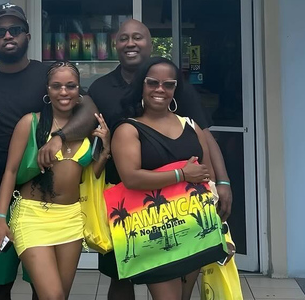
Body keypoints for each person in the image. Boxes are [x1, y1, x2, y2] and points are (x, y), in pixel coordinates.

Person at [0, 3, 100, 300]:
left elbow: (88, 109)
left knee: (45, 289)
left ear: (27, 35)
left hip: (45, 200)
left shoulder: (48, 75)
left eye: (15, 29)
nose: (8, 35)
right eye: (0, 31)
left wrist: (60, 138)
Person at [88, 18, 232, 300]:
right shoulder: (100, 89)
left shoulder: (176, 87)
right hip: (124, 200)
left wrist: (221, 181)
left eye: (138, 37)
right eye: (124, 38)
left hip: (182, 205)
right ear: (115, 45)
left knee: (180, 280)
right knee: (121, 278)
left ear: (150, 44)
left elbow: (202, 136)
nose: (131, 43)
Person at [0, 62, 111, 300]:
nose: (63, 92)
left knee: (60, 296)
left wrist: (104, 148)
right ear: (47, 90)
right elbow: (11, 172)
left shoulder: (88, 128)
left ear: (79, 91)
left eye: (70, 86)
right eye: (56, 86)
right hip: (33, 216)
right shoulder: (31, 123)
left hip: (71, 218)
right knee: (53, 296)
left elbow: (92, 174)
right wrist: (0, 219)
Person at [111, 57, 215, 300]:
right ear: (141, 86)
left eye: (168, 84)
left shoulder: (190, 125)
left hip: (194, 226)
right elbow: (131, 178)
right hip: (155, 229)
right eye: (152, 83)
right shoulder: (128, 129)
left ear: (176, 89)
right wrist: (181, 174)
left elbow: (206, 175)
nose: (160, 89)